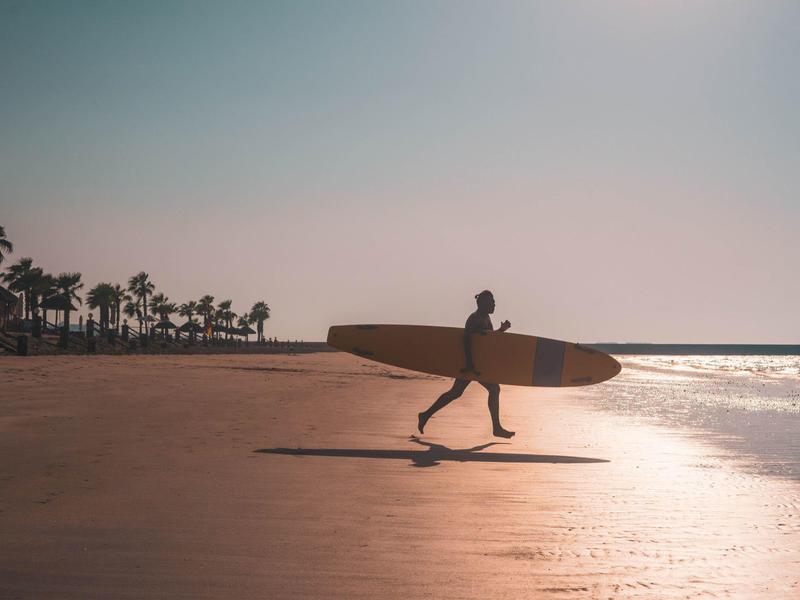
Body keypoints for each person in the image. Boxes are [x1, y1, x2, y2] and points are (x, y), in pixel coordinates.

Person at [418, 290, 515, 438]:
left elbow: (484, 341)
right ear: (482, 303)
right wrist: (470, 364)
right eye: (491, 301)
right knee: (491, 389)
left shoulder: (485, 318)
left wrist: (501, 330)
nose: (494, 304)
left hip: (476, 364)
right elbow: (466, 340)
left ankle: (425, 415)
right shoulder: (475, 318)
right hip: (471, 365)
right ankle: (496, 428)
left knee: (456, 392)